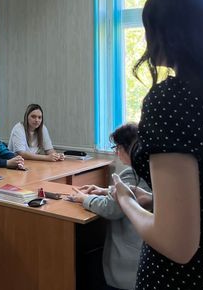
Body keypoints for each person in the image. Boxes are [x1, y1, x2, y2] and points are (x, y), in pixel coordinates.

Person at [111, 0, 203, 289]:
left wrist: (125, 200)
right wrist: (158, 200)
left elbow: (177, 244)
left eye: (149, 28)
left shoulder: (173, 100)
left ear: (173, 34)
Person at [68, 123, 150, 290]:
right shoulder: (149, 168)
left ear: (128, 147)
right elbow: (130, 194)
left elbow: (112, 209)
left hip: (129, 256)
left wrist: (85, 198)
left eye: (117, 147)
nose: (116, 152)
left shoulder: (132, 173)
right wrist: (103, 190)